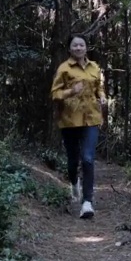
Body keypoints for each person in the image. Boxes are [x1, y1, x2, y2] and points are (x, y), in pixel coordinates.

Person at [49, 34, 106, 218]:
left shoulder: (94, 67)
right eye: (75, 45)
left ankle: (87, 202)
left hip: (91, 119)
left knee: (88, 158)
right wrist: (71, 91)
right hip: (70, 120)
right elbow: (55, 94)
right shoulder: (64, 68)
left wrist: (102, 96)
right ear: (70, 49)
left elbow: (99, 87)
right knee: (73, 160)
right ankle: (74, 183)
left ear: (86, 48)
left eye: (82, 45)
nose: (79, 48)